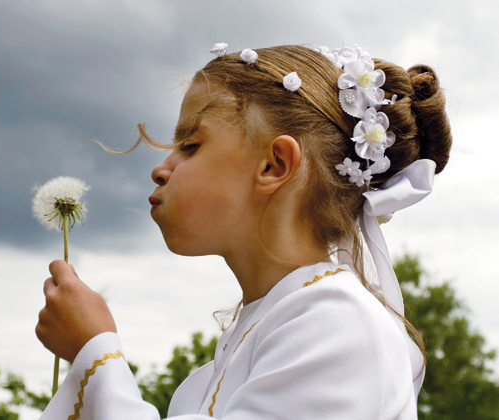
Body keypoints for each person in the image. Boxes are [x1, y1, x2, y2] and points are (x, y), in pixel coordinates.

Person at [35, 44, 452, 419]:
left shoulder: (338, 326)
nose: (160, 169)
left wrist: (95, 353)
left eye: (191, 145)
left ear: (273, 166)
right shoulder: (249, 344)